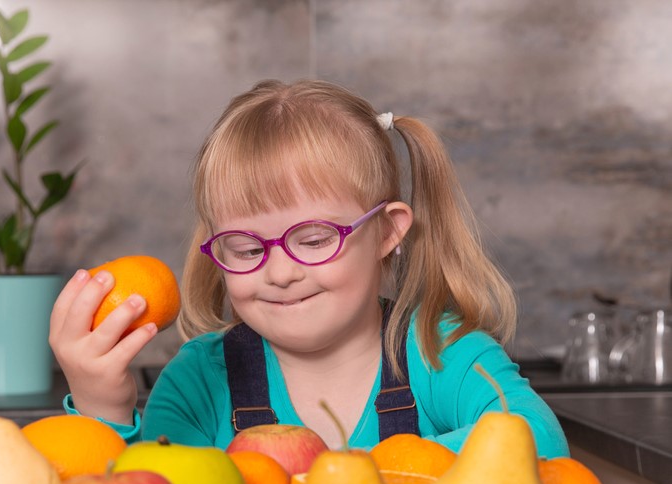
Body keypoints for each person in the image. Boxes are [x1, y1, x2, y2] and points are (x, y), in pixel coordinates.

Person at [49, 79, 569, 458]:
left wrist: (347, 474)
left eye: (315, 240)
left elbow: (536, 440)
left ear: (388, 232)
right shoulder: (202, 377)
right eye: (247, 248)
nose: (279, 272)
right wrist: (104, 409)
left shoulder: (441, 350)